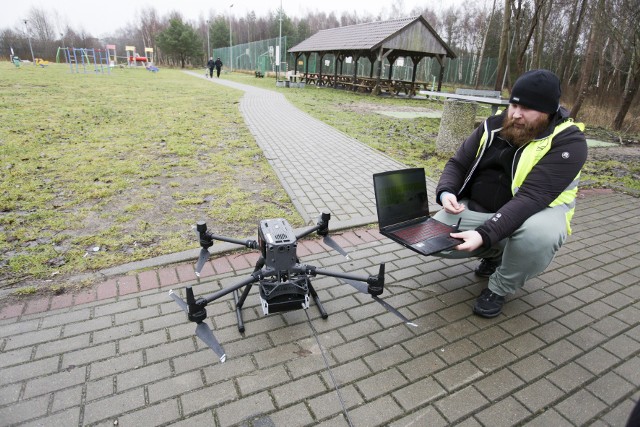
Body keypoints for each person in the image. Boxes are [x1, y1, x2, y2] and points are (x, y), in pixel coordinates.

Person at [432, 69, 588, 318]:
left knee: (539, 236)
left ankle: (500, 287)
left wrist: (484, 234)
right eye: (514, 104)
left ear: (548, 112)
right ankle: (498, 253)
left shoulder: (569, 142)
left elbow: (532, 197)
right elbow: (458, 163)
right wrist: (446, 191)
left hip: (536, 213)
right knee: (432, 237)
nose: (516, 114)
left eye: (527, 108)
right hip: (484, 211)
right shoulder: (492, 126)